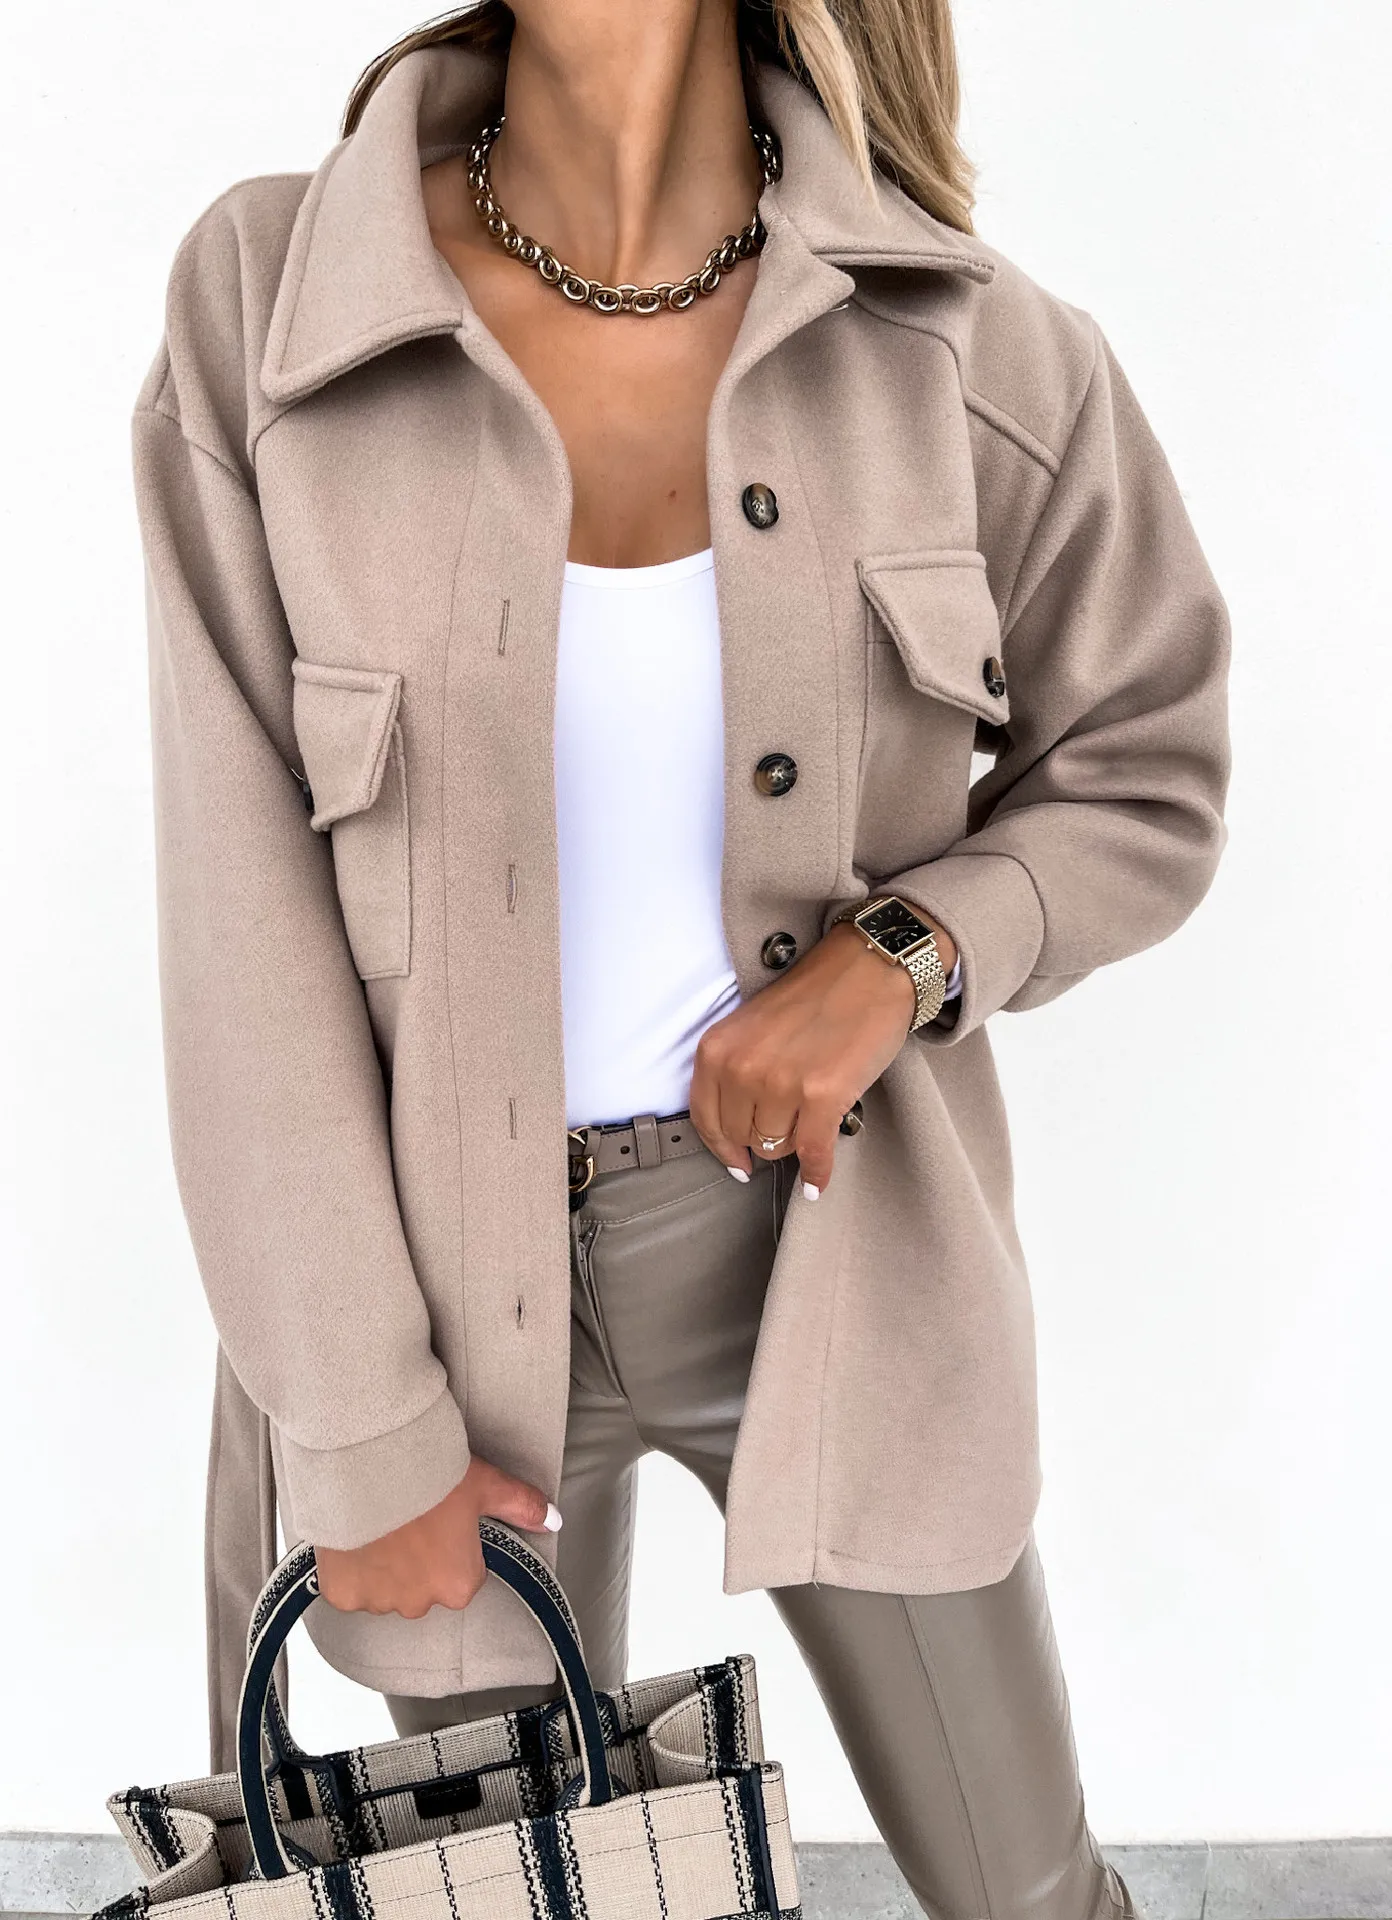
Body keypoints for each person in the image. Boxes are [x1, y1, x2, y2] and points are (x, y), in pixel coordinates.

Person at [132, 2, 1230, 1914]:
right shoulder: (279, 301)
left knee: (1027, 1892)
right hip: (428, 1311)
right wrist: (362, 1429)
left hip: (825, 1252)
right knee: (511, 1897)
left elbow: (1147, 767)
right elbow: (237, 924)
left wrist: (903, 956)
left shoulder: (965, 347)